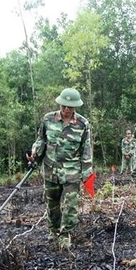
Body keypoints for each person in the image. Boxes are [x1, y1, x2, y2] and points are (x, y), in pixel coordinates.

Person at [27, 88, 92, 250]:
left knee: (71, 205)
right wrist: (35, 152)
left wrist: (87, 172)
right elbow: (41, 139)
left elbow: (86, 149)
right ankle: (54, 230)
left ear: (75, 107)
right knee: (52, 204)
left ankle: (65, 234)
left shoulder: (83, 124)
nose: (66, 109)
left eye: (70, 107)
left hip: (72, 172)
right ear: (60, 104)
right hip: (50, 170)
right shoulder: (48, 119)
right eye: (64, 106)